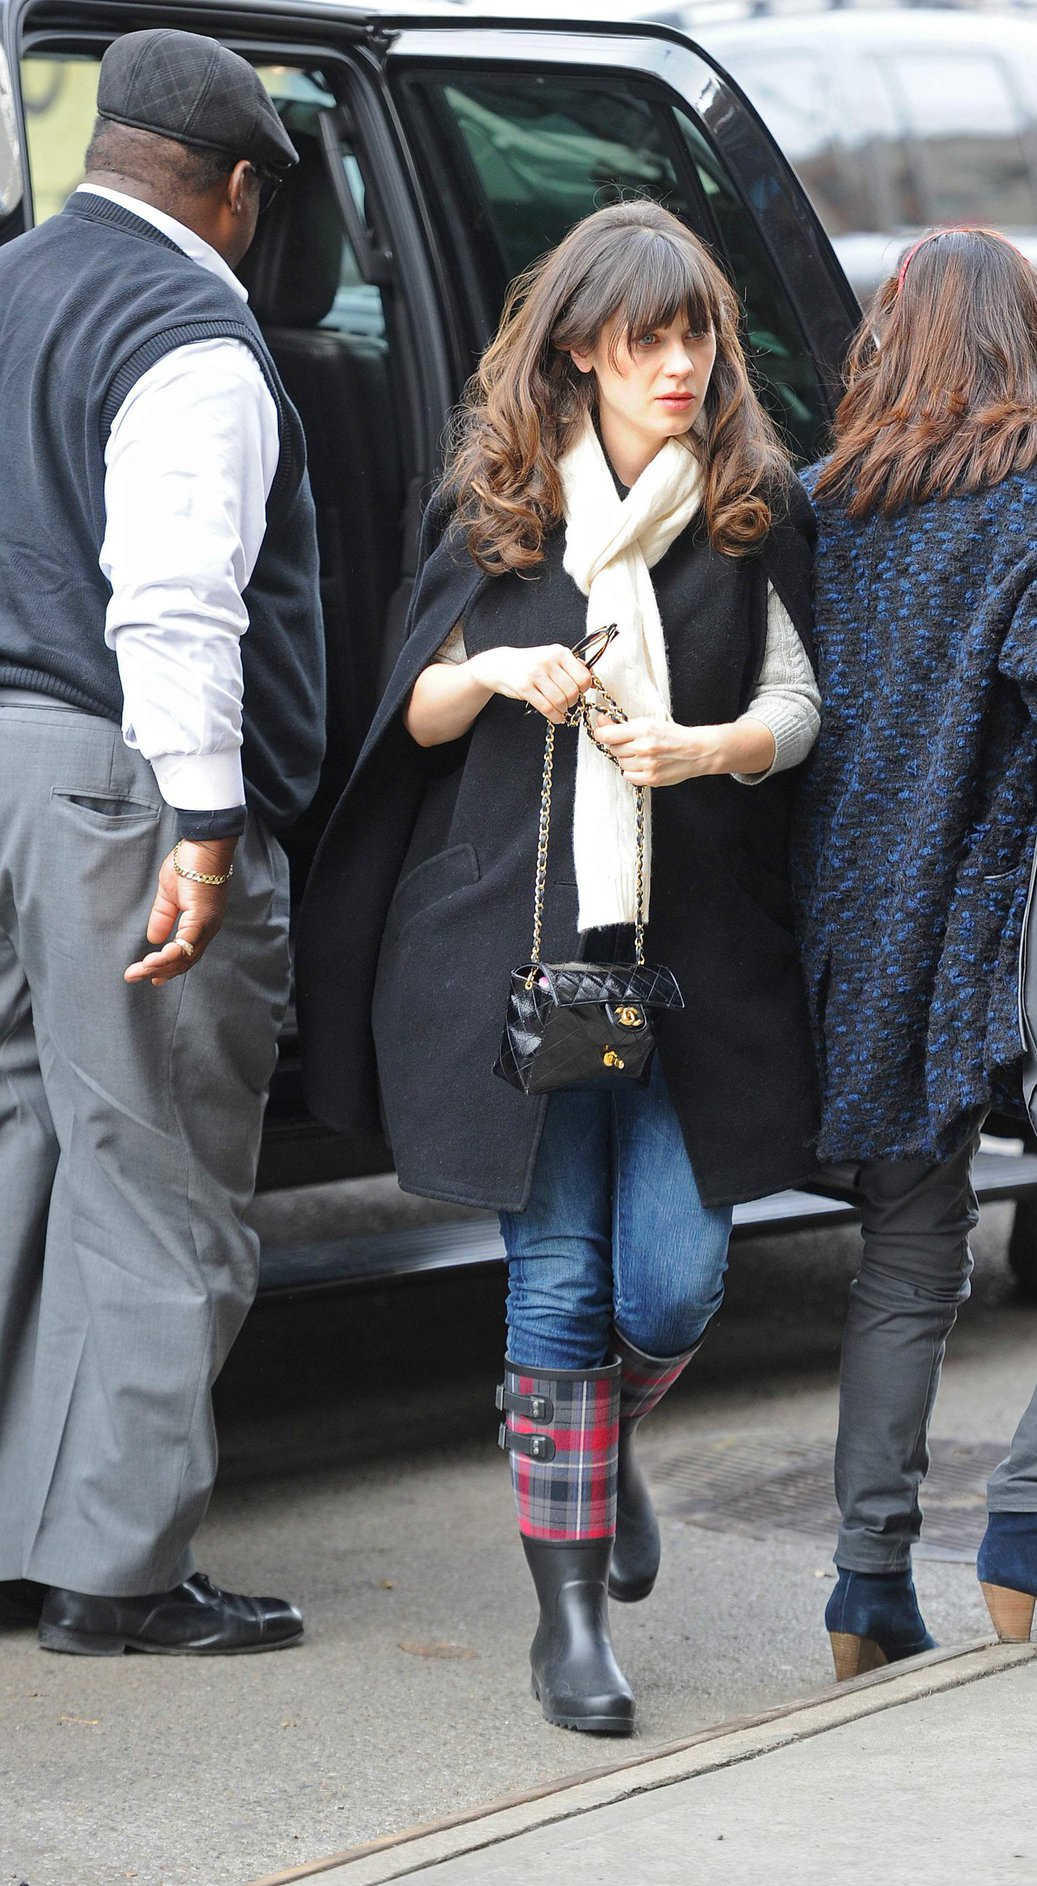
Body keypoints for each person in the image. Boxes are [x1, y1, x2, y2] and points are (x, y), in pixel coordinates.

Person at [297, 200, 819, 1732]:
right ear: (582, 349)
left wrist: (705, 745)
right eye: (647, 339)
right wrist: (496, 672)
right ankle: (571, 1624)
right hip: (516, 962)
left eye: (697, 336)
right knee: (558, 1274)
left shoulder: (749, 506)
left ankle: (598, 1437)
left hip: (689, 964)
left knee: (673, 1277)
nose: (680, 364)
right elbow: (409, 712)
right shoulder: (497, 506)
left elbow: (802, 701)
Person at [797, 227, 1037, 1681]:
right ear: (1033, 340)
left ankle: (866, 1578)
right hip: (1007, 932)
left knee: (908, 1250)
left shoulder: (827, 496)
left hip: (857, 929)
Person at [0, 29, 325, 1654]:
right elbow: (178, 602)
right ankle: (117, 1578)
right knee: (159, 1170)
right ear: (238, 188)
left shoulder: (10, 283)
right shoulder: (189, 327)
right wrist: (205, 825)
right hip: (118, 782)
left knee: (14, 1153)